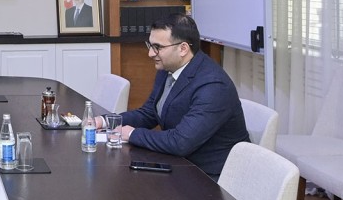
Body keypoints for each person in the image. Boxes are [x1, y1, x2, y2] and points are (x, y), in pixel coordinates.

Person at [104, 13, 246, 178]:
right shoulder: (168, 69)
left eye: (157, 47)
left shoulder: (213, 86)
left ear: (183, 49)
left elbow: (180, 142)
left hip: (212, 176)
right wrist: (106, 121)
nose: (150, 53)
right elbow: (149, 113)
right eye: (150, 45)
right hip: (181, 164)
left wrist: (132, 134)